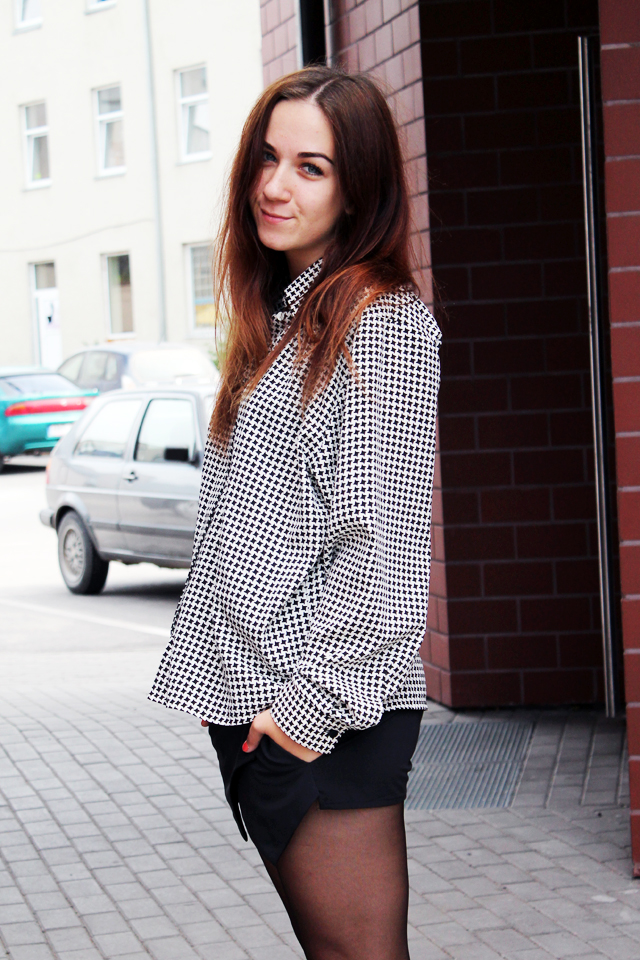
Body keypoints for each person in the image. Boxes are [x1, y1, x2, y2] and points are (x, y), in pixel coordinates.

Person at [149, 65, 441, 960]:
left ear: (358, 190)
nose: (275, 186)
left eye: (312, 168)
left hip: (320, 713)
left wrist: (298, 725)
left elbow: (384, 562)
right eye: (267, 159)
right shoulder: (287, 323)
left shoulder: (379, 325)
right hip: (266, 707)